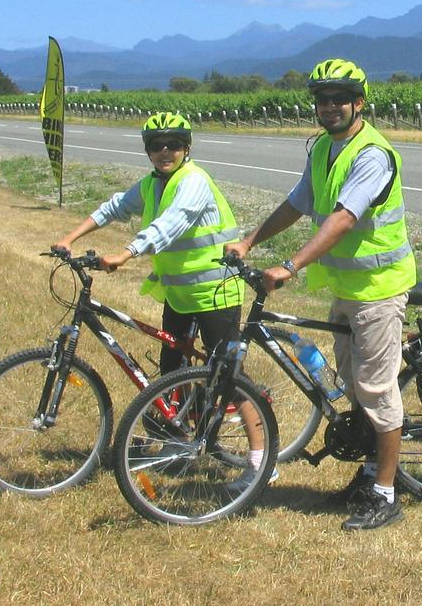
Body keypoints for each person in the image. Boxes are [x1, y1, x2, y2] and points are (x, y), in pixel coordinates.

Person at [226, 59, 416, 531]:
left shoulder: (372, 153)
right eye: (321, 98)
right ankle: (371, 473)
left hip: (380, 289)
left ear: (359, 102)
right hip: (349, 289)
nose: (328, 106)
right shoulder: (323, 150)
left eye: (338, 98)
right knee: (353, 386)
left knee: (376, 390)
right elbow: (297, 203)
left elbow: (344, 218)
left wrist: (290, 265)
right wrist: (249, 242)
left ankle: (387, 495)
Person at [52, 112, 269, 482]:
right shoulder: (154, 183)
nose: (165, 151)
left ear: (187, 148)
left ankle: (262, 462)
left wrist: (126, 252)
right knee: (173, 369)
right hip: (181, 294)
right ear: (148, 151)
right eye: (156, 146)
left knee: (230, 376)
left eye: (173, 144)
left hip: (215, 291)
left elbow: (171, 224)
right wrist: (70, 238)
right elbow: (115, 206)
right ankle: (176, 441)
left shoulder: (194, 182)